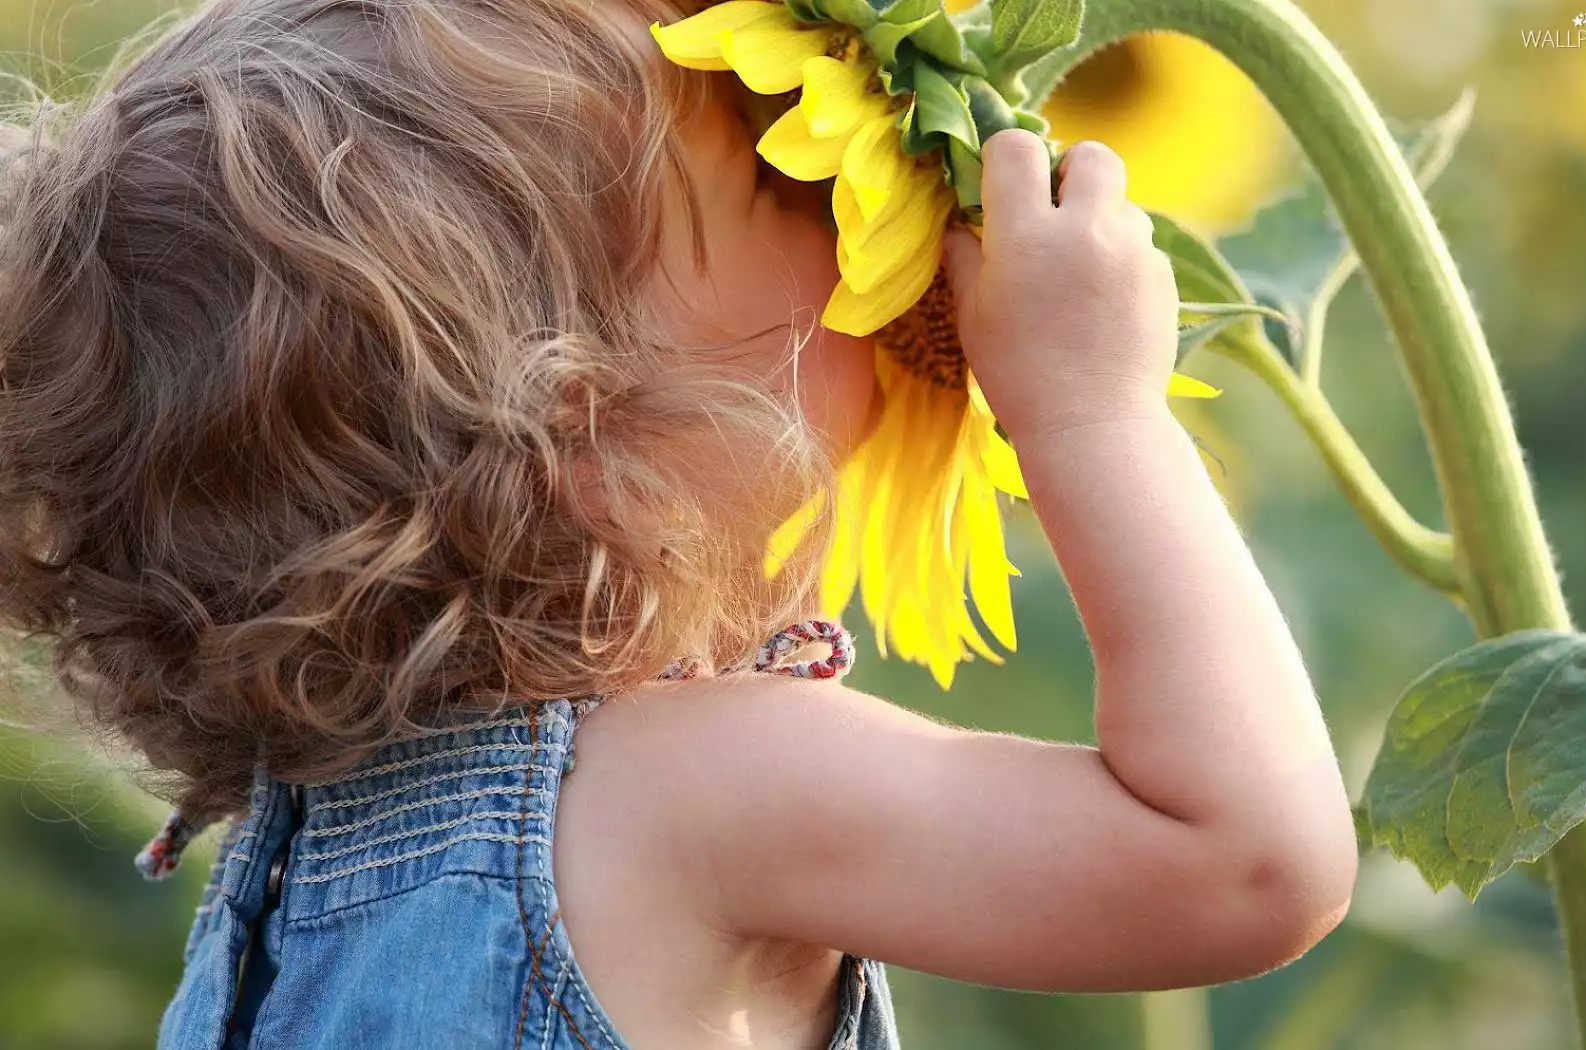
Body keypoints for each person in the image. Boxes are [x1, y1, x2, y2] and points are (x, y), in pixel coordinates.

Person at [0, 0, 1358, 1046]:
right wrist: (1095, 413)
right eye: (788, 176)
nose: (859, 228)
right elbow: (1245, 857)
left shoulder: (310, 838)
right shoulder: (692, 791)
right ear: (581, 438)